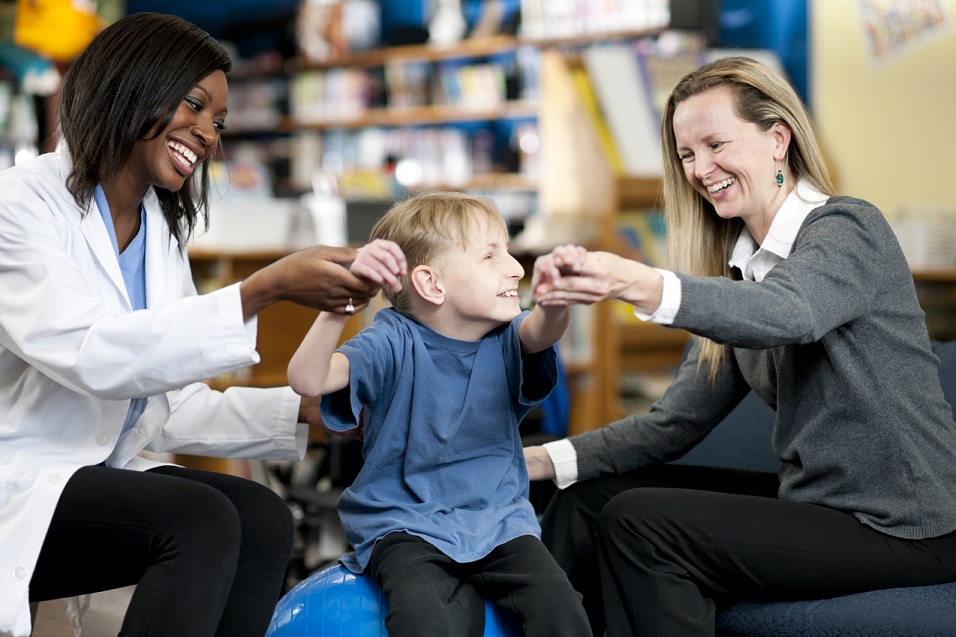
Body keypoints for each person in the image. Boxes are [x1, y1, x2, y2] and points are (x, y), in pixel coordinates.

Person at [524, 56, 956, 637]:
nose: (700, 170)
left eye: (716, 144)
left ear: (778, 139)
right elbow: (673, 425)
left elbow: (788, 312)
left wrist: (637, 282)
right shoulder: (738, 274)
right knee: (588, 499)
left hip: (904, 526)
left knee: (639, 523)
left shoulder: (848, 229)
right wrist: (535, 461)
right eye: (686, 155)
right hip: (814, 506)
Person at [0, 13, 381, 637]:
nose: (207, 134)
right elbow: (95, 357)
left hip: (89, 479)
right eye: (195, 105)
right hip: (19, 478)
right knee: (200, 519)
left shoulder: (157, 231)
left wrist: (305, 412)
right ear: (131, 86)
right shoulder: (19, 205)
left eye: (218, 121)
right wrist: (263, 290)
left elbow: (167, 405)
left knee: (262, 517)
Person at [287, 190, 593, 637]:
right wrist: (342, 305)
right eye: (491, 255)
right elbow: (307, 380)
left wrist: (555, 300)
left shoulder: (508, 336)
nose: (515, 267)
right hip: (403, 523)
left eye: (508, 250)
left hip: (498, 520)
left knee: (563, 613)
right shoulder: (389, 341)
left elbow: (542, 331)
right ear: (432, 284)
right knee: (426, 620)